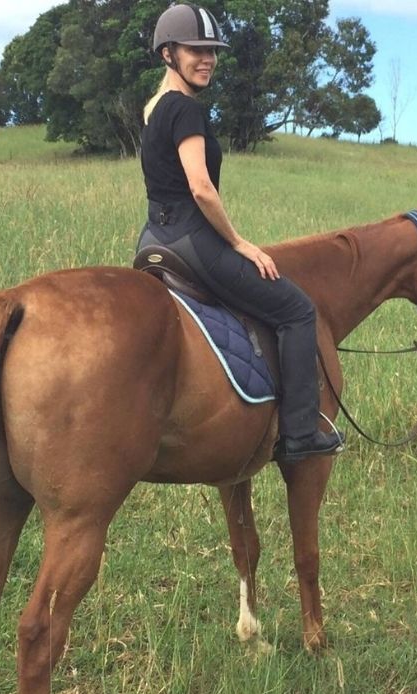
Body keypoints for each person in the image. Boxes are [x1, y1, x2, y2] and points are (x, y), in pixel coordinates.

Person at [137, 2, 344, 462]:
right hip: (193, 241)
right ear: (168, 54)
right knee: (297, 310)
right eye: (196, 50)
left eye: (212, 50)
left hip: (153, 239)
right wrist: (238, 242)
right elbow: (200, 187)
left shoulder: (156, 110)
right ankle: (299, 434)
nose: (208, 58)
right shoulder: (186, 110)